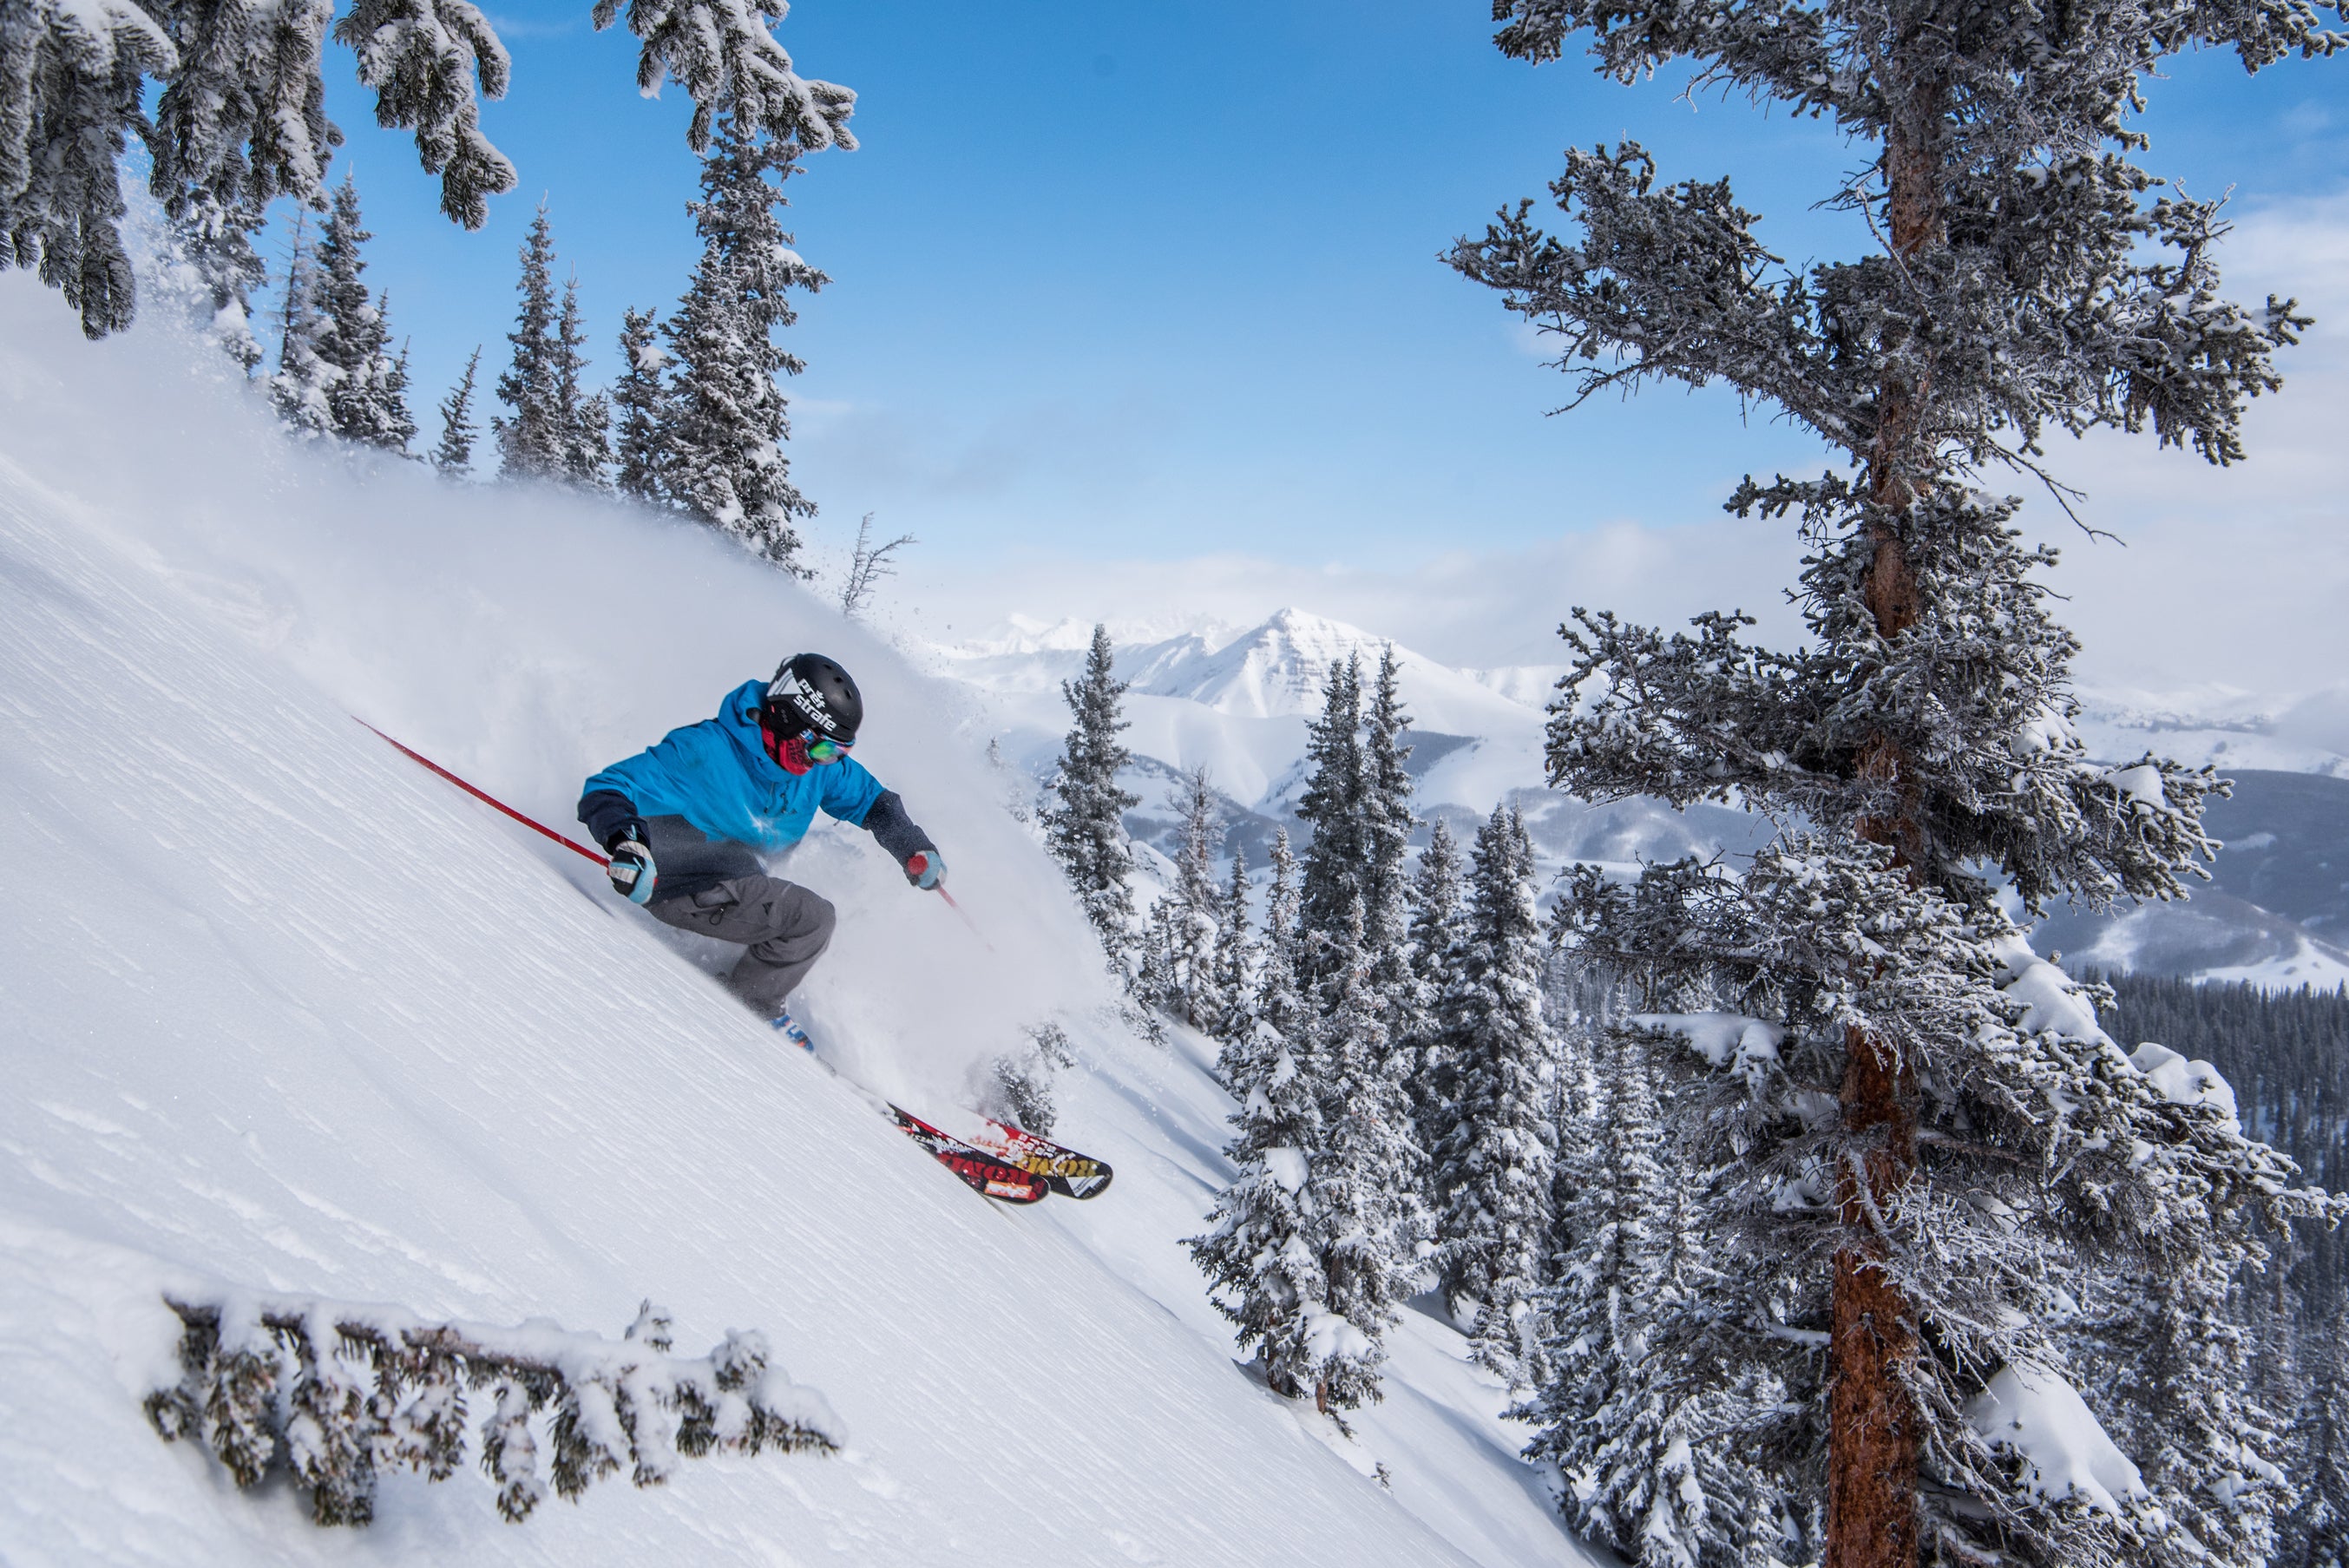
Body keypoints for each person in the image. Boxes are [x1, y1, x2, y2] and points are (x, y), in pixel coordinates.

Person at [576, 653, 942, 1040]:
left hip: (739, 876)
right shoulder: (705, 750)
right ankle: (753, 1008)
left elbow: (873, 802)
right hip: (678, 883)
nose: (826, 763)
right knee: (812, 918)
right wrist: (628, 844)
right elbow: (607, 788)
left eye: (839, 754)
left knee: (815, 918)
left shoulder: (816, 767)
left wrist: (912, 847)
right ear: (787, 718)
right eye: (821, 750)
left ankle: (755, 982)